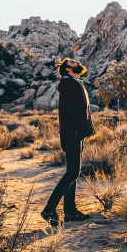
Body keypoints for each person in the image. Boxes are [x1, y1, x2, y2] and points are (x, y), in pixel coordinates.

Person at [41, 58, 95, 226]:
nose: (76, 61)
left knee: (73, 172)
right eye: (72, 62)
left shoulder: (71, 83)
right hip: (73, 133)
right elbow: (70, 112)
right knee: (72, 173)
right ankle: (49, 208)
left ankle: (70, 211)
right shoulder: (69, 84)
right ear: (68, 69)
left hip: (75, 133)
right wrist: (77, 130)